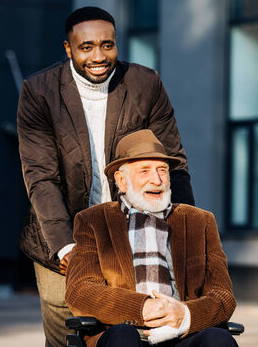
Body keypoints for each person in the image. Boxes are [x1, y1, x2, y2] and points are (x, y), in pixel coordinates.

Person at [17, 6, 194, 347]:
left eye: (107, 45)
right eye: (86, 47)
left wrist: (183, 229)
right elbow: (41, 177)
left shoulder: (145, 83)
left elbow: (173, 163)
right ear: (68, 48)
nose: (98, 56)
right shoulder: (39, 91)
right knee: (70, 335)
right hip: (61, 236)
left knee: (132, 333)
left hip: (134, 232)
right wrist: (66, 246)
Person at [65, 129, 237, 347]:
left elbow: (223, 295)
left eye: (162, 170)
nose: (156, 180)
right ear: (121, 180)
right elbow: (80, 291)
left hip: (180, 335)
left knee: (218, 339)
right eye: (144, 171)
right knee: (123, 337)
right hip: (124, 333)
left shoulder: (200, 221)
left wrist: (185, 314)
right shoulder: (94, 220)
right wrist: (142, 307)